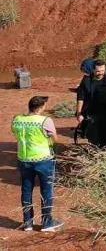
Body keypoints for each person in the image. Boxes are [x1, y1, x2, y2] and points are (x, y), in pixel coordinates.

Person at [12, 96, 61, 232]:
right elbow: (54, 139)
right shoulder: (45, 120)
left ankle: (27, 223)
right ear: (40, 107)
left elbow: (16, 134)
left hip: (24, 160)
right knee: (46, 191)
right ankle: (47, 223)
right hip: (43, 159)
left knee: (26, 191)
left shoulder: (17, 119)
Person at [75, 59, 106, 141]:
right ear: (93, 70)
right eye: (98, 71)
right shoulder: (86, 80)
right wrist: (79, 113)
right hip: (89, 110)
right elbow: (81, 97)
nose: (100, 73)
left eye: (102, 71)